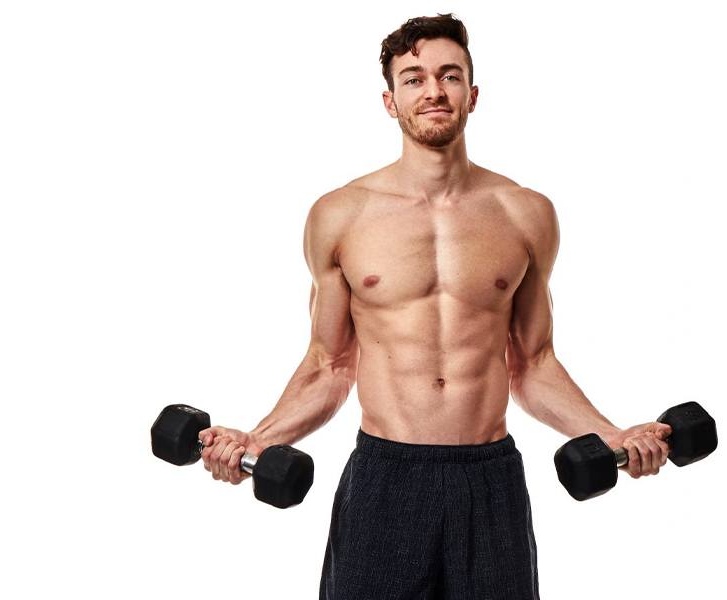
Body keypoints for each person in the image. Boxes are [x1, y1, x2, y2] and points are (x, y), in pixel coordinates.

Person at [197, 13, 672, 599]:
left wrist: (612, 436)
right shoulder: (340, 215)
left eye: (449, 76)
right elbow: (329, 364)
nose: (434, 91)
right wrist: (260, 439)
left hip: (489, 477)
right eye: (414, 79)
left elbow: (533, 364)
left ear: (472, 94)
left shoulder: (525, 213)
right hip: (384, 478)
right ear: (390, 101)